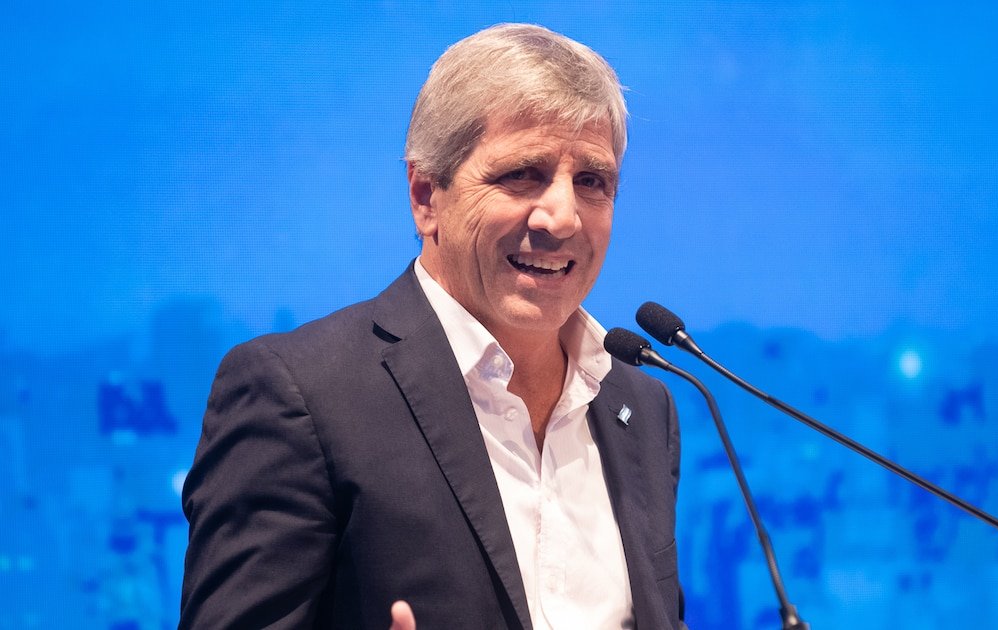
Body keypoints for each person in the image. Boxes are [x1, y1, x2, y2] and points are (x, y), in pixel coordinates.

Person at [179, 23, 683, 629]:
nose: (562, 217)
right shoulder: (299, 393)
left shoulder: (642, 407)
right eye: (522, 174)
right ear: (426, 197)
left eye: (592, 182)